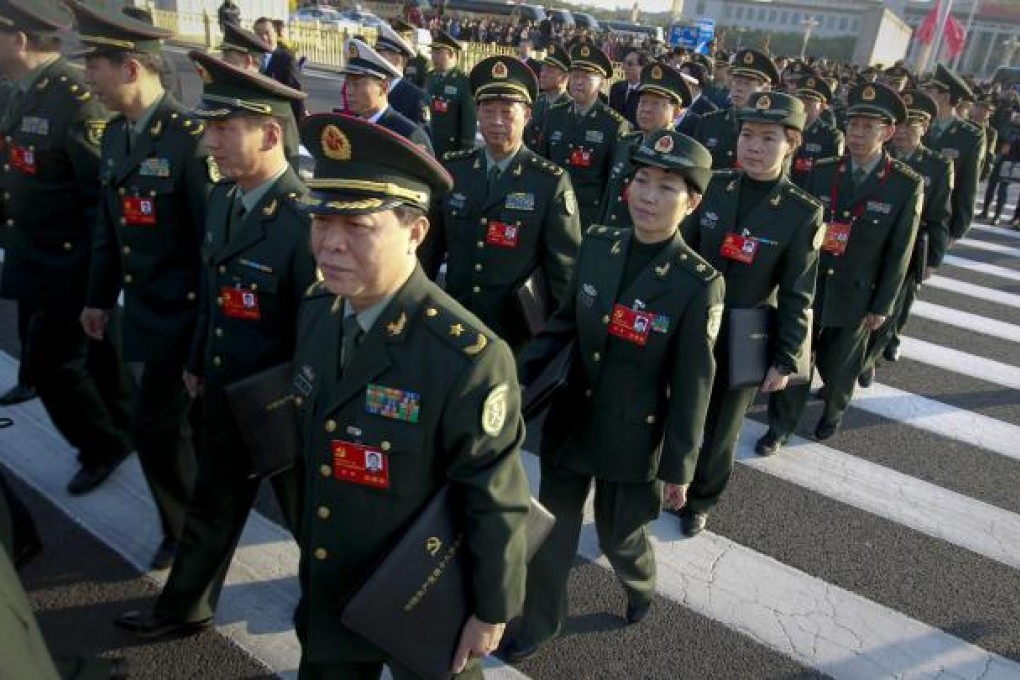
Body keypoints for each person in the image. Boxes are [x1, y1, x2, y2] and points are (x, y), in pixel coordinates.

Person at [292, 113, 531, 680]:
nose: (330, 243)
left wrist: (491, 608)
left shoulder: (465, 356)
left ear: (416, 231)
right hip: (333, 581)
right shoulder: (318, 313)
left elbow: (494, 497)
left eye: (358, 226)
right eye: (322, 220)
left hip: (426, 593)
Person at [502, 129, 724, 662]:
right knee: (551, 530)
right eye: (642, 180)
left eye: (667, 187)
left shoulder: (698, 282)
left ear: (692, 202)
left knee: (618, 535)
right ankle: (540, 620)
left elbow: (695, 382)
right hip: (572, 418)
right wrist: (513, 383)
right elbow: (561, 327)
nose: (648, 196)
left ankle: (640, 581)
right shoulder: (600, 245)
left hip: (632, 436)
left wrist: (680, 467)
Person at [114, 51, 314, 639]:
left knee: (312, 524)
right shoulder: (226, 199)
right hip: (227, 388)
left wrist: (297, 404)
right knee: (211, 502)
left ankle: (331, 622)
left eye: (225, 129)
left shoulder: (304, 220)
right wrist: (199, 362)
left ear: (271, 133)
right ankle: (184, 608)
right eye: (208, 127)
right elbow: (213, 289)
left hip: (280, 405)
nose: (211, 142)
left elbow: (317, 332)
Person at [73, 2, 211, 570]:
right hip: (147, 311)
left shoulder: (190, 141)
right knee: (171, 430)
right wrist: (98, 298)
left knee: (159, 429)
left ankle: (185, 534)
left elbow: (212, 252)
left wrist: (203, 345)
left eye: (96, 66)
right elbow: (111, 228)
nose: (88, 78)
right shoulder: (116, 138)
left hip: (187, 318)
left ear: (131, 68)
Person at [0, 0, 135, 495]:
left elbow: (99, 199)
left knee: (53, 367)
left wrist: (92, 281)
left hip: (68, 263)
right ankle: (124, 424)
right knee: (99, 356)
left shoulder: (74, 99)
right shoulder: (25, 91)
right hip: (35, 253)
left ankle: (102, 444)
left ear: (17, 39)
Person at [678, 92, 823, 536]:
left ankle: (701, 499)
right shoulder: (714, 186)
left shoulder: (801, 212)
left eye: (767, 138)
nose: (753, 147)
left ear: (791, 143)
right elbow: (680, 248)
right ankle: (668, 482)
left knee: (723, 427)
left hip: (746, 331)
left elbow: (799, 291)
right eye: (747, 135)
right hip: (690, 325)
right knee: (677, 411)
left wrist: (786, 358)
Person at [756, 82, 922, 454]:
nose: (858, 134)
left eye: (869, 127)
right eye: (853, 125)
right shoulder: (824, 170)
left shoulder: (904, 185)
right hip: (812, 285)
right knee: (797, 359)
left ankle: (833, 409)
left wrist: (882, 306)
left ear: (888, 132)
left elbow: (900, 253)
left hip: (856, 294)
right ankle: (779, 427)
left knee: (838, 367)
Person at [430, 56, 581, 351]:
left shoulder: (549, 182)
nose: (496, 121)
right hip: (455, 321)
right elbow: (429, 251)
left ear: (527, 115)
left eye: (506, 112)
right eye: (488, 111)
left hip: (515, 333)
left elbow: (564, 271)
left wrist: (553, 342)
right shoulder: (453, 170)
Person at [858, 89, 952, 385]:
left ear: (924, 129)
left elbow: (939, 216)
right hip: (870, 243)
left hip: (909, 249)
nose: (903, 133)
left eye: (913, 126)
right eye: (901, 126)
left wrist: (933, 259)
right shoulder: (877, 158)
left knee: (892, 306)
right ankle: (853, 358)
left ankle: (869, 359)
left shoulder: (937, 165)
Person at [538, 40, 630, 227]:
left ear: (602, 82)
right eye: (576, 75)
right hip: (551, 210)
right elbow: (542, 162)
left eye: (587, 77)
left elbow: (613, 183)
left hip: (587, 216)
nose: (579, 81)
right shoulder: (555, 114)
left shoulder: (613, 124)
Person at [599, 62, 693, 230]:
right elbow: (609, 197)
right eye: (642, 102)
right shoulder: (625, 142)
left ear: (677, 111)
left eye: (656, 104)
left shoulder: (682, 155)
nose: (646, 109)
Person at [921, 63, 984, 243]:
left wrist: (957, 230)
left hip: (937, 221)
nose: (925, 95)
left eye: (931, 91)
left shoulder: (969, 136)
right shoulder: (916, 126)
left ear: (945, 96)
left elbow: (968, 186)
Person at [341, 38, 432, 154]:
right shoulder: (349, 127)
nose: (348, 91)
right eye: (347, 83)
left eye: (356, 84)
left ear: (384, 87)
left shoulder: (408, 134)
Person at [696, 49, 779, 169]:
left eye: (747, 84)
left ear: (765, 90)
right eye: (737, 81)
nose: (739, 88)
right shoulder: (709, 123)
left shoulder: (770, 128)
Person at [423, 29, 475, 161]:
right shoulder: (430, 76)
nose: (433, 56)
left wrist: (465, 152)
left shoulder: (463, 82)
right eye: (433, 52)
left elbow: (468, 120)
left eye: (438, 52)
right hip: (428, 145)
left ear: (451, 54)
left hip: (450, 150)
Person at [791, 74, 845, 188]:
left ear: (822, 107)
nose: (804, 104)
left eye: (810, 100)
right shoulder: (785, 128)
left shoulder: (831, 137)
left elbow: (830, 177)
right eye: (800, 99)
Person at [374, 22, 429, 129]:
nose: (376, 60)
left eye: (380, 55)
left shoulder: (417, 99)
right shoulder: (373, 90)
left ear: (397, 59)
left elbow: (420, 142)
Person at [254, 16, 305, 123]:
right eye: (259, 33)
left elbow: (295, 93)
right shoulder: (251, 58)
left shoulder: (287, 59)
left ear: (276, 34)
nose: (263, 37)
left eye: (267, 33)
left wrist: (299, 124)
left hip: (279, 118)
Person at [523, 41, 569, 150]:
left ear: (564, 78)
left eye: (550, 71)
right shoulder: (536, 102)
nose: (543, 74)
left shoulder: (571, 108)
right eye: (543, 69)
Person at [609, 47, 646, 126]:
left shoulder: (646, 92)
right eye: (624, 63)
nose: (624, 67)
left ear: (642, 68)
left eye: (630, 64)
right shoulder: (616, 88)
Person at [391, 18, 430, 88]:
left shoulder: (421, 62)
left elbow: (423, 91)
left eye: (401, 37)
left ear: (411, 39)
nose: (397, 41)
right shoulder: (390, 57)